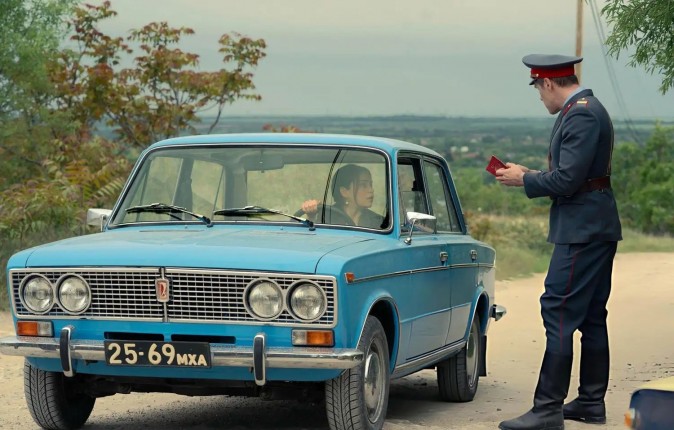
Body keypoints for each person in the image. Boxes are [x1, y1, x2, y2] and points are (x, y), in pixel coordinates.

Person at [496, 54, 622, 430]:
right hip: (593, 225)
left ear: (548, 83)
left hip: (582, 230)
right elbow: (576, 175)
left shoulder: (581, 114)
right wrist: (531, 174)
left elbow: (567, 181)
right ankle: (591, 402)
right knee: (591, 315)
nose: (540, 97)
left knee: (559, 310)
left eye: (538, 89)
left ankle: (547, 409)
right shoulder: (587, 109)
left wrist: (525, 179)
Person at [301, 164, 385, 229]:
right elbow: (315, 239)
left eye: (371, 185)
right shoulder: (325, 217)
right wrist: (311, 216)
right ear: (344, 192)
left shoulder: (379, 222)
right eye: (363, 185)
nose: (371, 190)